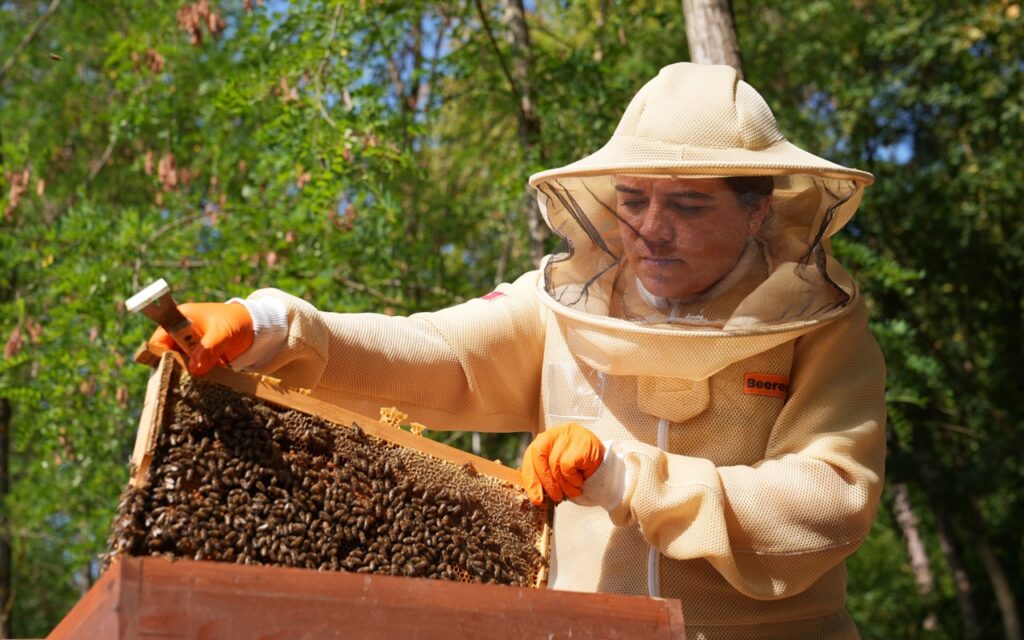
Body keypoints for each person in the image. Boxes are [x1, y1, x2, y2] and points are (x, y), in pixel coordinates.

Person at [150, 62, 886, 639]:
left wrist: (626, 478)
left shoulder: (819, 325)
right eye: (633, 200)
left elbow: (830, 498)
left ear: (757, 209)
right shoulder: (565, 302)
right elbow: (441, 354)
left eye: (688, 205)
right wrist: (273, 325)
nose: (651, 229)